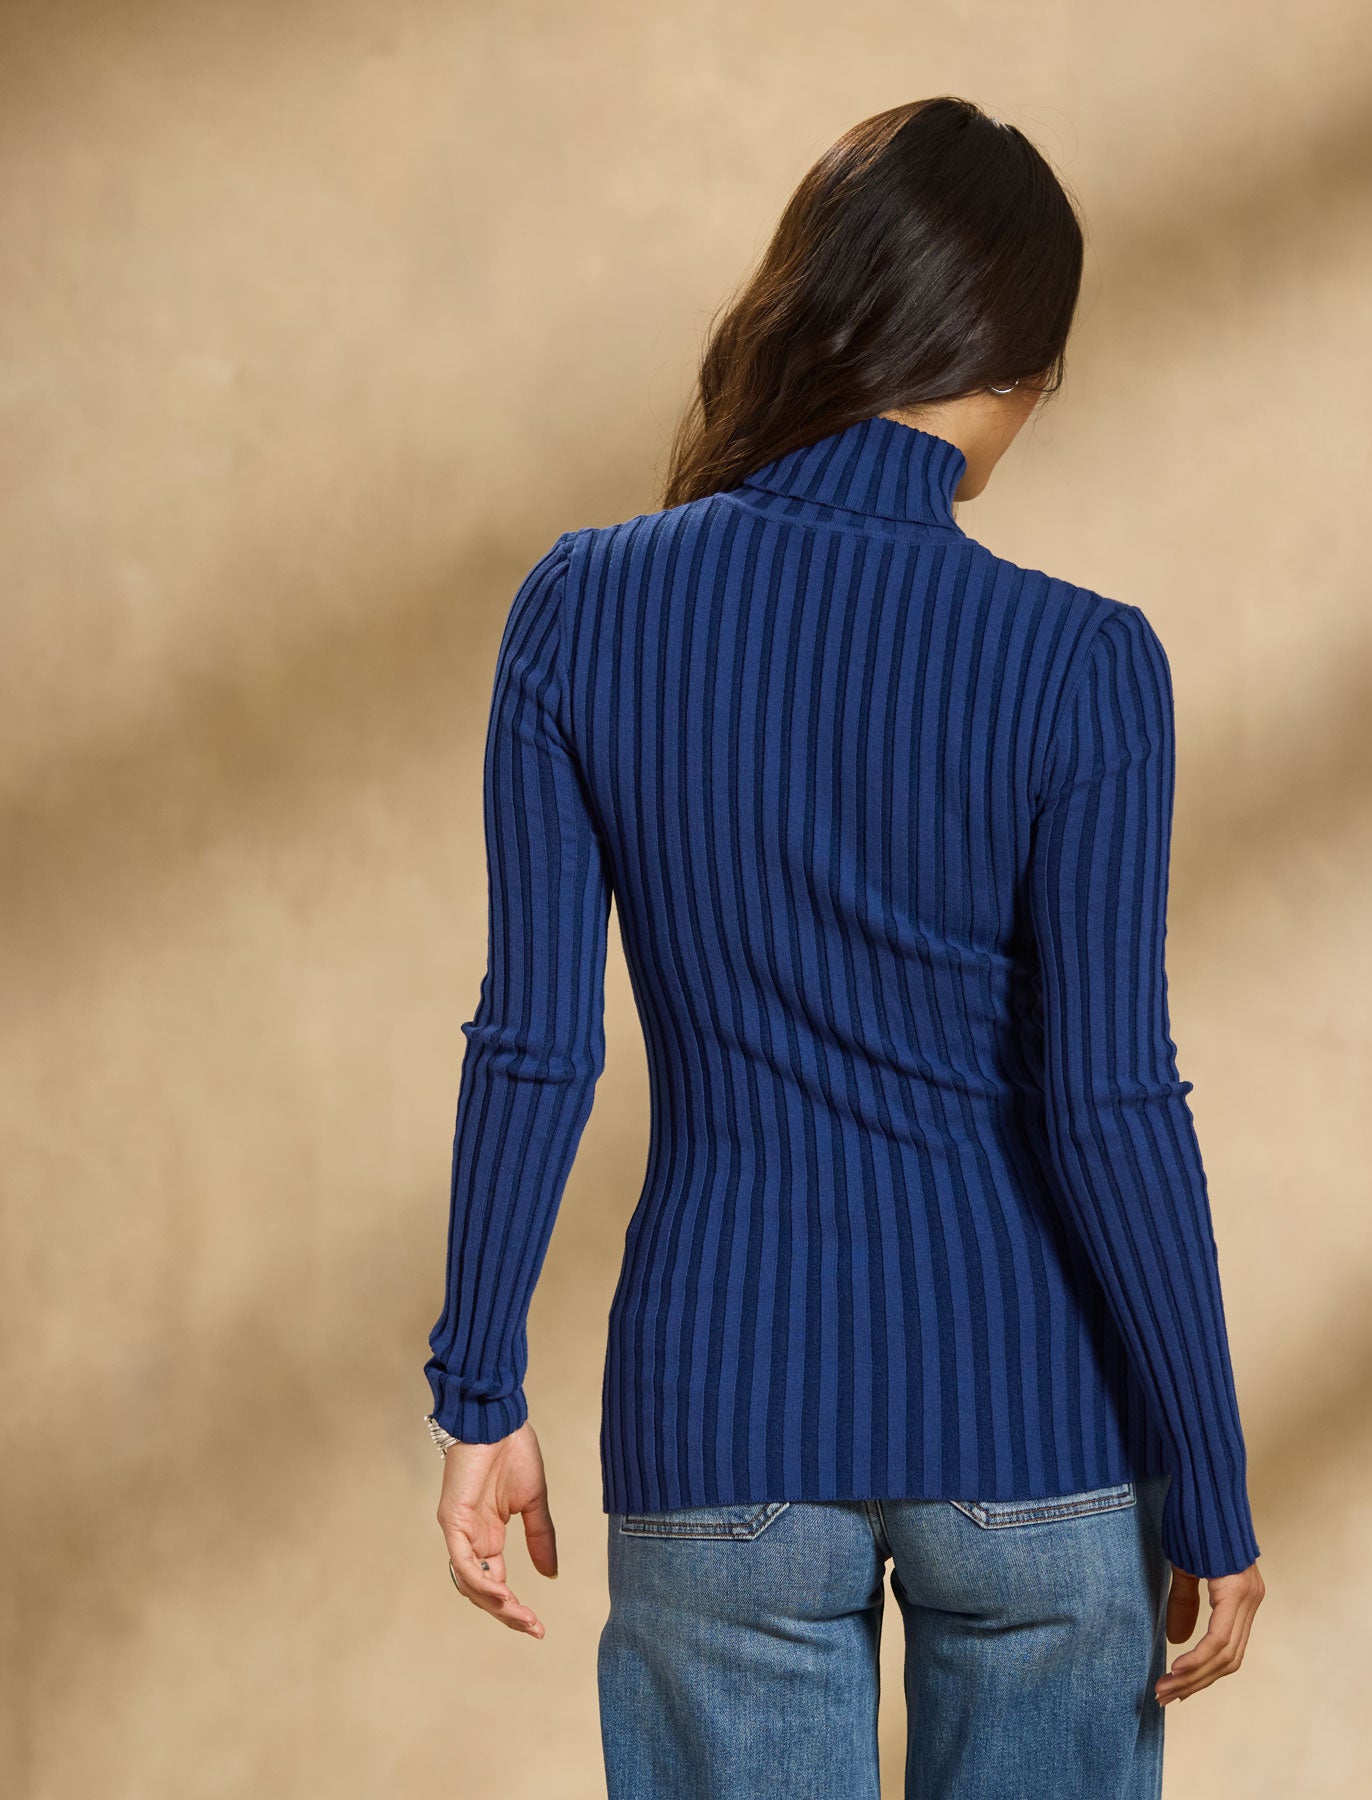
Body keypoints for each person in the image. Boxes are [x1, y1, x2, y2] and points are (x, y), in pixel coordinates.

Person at [422, 93, 1264, 1799]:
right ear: (1022, 372)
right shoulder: (1085, 663)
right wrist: (1211, 1481)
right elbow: (1111, 1102)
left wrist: (479, 1388)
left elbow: (539, 1042)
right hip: (1037, 1428)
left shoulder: (581, 608)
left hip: (715, 1418)